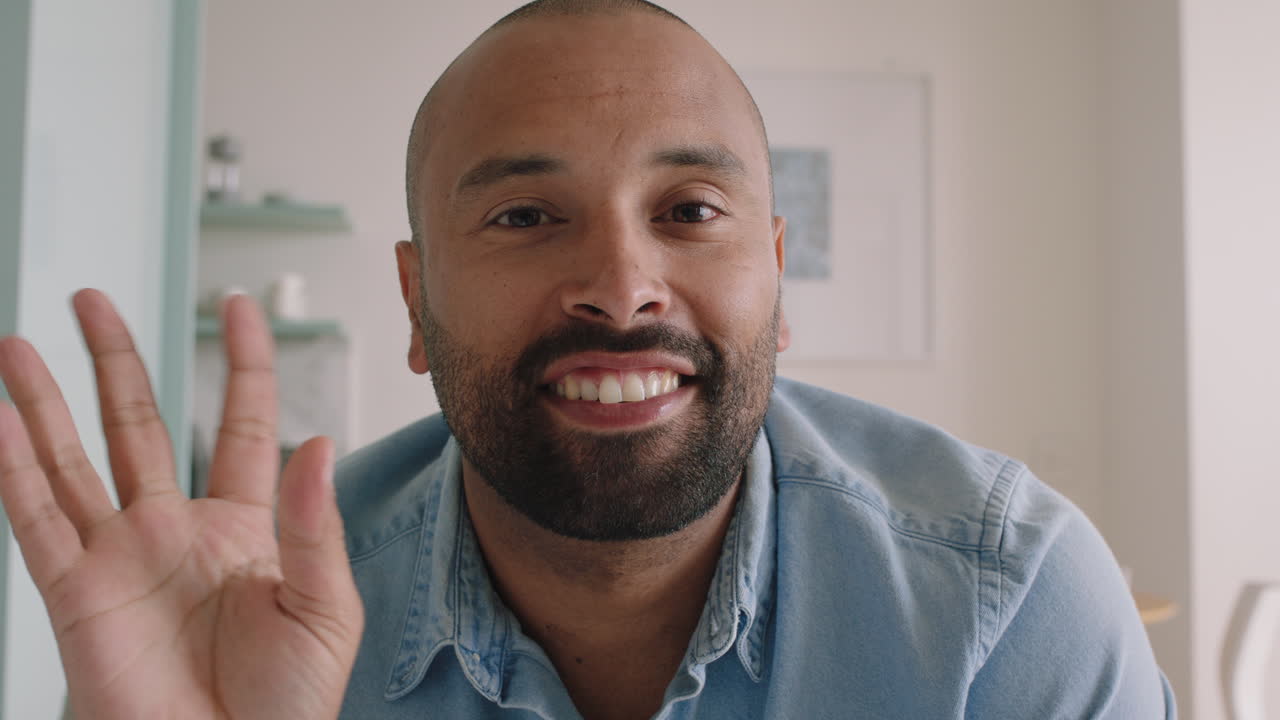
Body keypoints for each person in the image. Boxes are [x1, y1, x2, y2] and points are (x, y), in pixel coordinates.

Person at [0, 1, 1176, 718]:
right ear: (415, 302)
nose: (620, 287)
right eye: (522, 217)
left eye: (690, 210)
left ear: (776, 280)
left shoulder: (1001, 602)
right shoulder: (260, 625)